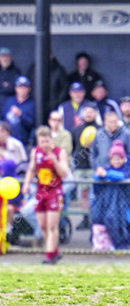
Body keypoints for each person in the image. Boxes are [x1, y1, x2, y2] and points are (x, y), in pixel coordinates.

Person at [22, 126, 70, 264]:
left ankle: (49, 255)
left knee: (52, 225)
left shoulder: (59, 152)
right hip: (40, 192)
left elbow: (64, 173)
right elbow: (31, 169)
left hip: (54, 192)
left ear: (51, 139)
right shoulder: (35, 152)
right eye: (42, 142)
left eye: (47, 141)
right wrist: (26, 184)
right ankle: (55, 251)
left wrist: (54, 161)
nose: (44, 145)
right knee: (42, 225)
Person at [91, 140, 130, 250]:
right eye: (114, 159)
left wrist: (106, 174)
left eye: (119, 158)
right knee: (98, 216)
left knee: (115, 218)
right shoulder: (107, 169)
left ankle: (121, 245)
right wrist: (100, 173)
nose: (116, 161)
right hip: (106, 203)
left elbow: (122, 176)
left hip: (123, 204)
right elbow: (96, 177)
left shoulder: (127, 169)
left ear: (123, 159)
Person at [71, 102, 100, 230]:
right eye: (86, 111)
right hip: (81, 166)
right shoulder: (76, 129)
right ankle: (85, 218)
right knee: (83, 194)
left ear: (96, 113)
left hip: (96, 167)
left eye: (91, 111)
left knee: (96, 194)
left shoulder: (101, 130)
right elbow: (73, 148)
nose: (88, 114)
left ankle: (96, 219)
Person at [0, 47, 22, 129]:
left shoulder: (15, 71)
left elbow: (11, 88)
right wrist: (3, 84)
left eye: (7, 56)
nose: (5, 59)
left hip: (9, 106)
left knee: (8, 129)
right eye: (2, 56)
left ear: (11, 58)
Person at [1, 75, 35, 146]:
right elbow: (2, 118)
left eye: (25, 87)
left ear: (29, 89)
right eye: (20, 87)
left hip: (23, 142)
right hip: (8, 140)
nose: (22, 89)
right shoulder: (9, 101)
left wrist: (20, 115)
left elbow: (32, 124)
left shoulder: (32, 104)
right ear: (16, 88)